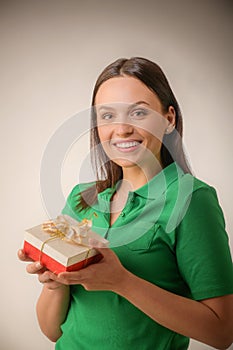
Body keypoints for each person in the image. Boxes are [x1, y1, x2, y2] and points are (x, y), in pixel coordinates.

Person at [18, 57, 233, 350]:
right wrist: (55, 283)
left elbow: (221, 332)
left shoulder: (192, 200)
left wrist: (122, 281)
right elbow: (53, 331)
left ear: (169, 119)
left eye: (139, 113)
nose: (121, 129)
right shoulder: (81, 200)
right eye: (107, 116)